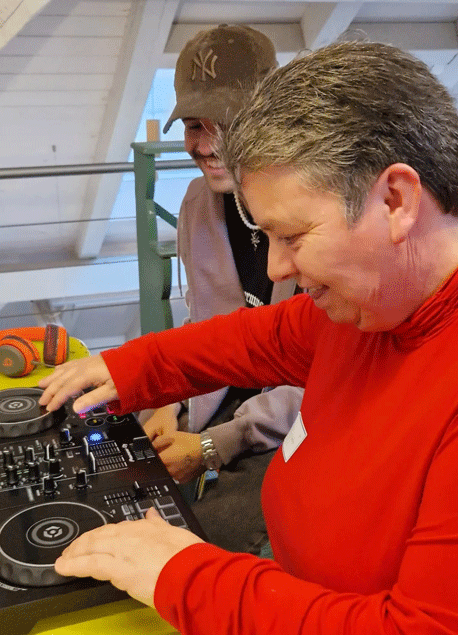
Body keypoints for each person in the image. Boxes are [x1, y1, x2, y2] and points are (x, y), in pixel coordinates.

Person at [39, 40, 458, 635]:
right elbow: (263, 336)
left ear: (396, 200)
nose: (275, 270)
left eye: (293, 235)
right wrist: (131, 367)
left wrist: (182, 574)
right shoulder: (389, 291)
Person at [138, 24, 304, 555]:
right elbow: (206, 326)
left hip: (303, 418)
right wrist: (167, 399)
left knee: (206, 540)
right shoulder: (198, 202)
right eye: (192, 125)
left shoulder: (319, 204)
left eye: (224, 124)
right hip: (230, 393)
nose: (204, 144)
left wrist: (215, 444)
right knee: (128, 448)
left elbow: (329, 371)